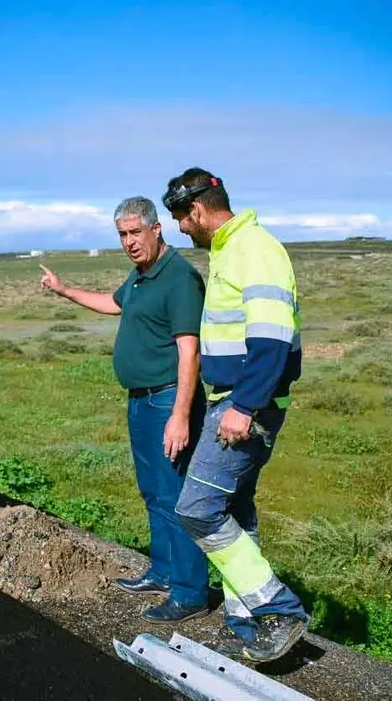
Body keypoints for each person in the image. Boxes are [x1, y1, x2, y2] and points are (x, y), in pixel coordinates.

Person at [39, 196, 211, 625]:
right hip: (140, 400)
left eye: (136, 232)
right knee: (154, 492)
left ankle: (190, 592)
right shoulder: (141, 276)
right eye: (122, 235)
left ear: (157, 229)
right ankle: (163, 572)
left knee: (175, 497)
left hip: (167, 400)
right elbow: (113, 304)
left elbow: (190, 351)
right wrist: (64, 290)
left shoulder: (179, 278)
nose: (129, 242)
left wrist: (180, 414)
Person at [162, 167, 309, 662]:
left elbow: (272, 339)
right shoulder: (229, 249)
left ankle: (280, 610)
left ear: (198, 210)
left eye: (182, 218)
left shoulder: (255, 249)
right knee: (235, 510)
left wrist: (243, 406)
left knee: (198, 510)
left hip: (246, 404)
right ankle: (245, 619)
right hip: (237, 399)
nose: (182, 229)